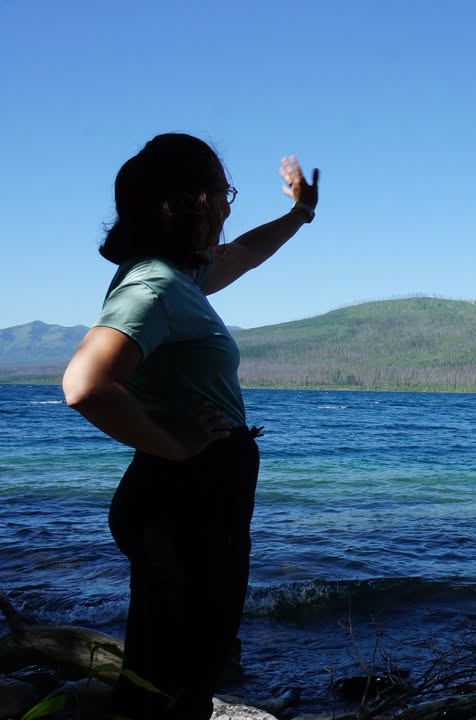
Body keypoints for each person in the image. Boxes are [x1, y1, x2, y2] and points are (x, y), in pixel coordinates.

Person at [62, 133, 320, 719]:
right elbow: (83, 384)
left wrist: (300, 214)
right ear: (195, 201)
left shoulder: (178, 278)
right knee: (176, 673)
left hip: (193, 495)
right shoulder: (153, 285)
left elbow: (241, 255)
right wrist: (175, 446)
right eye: (224, 193)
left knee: (180, 659)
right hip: (184, 498)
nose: (230, 208)